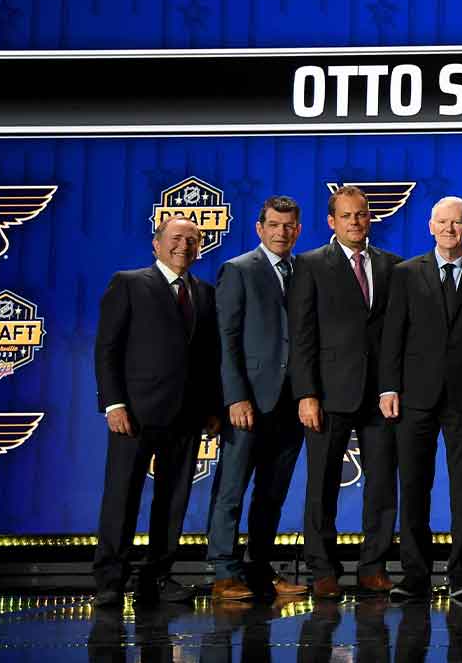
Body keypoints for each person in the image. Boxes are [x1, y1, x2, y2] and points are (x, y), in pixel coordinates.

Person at [92, 217, 222, 607]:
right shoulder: (128, 283)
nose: (184, 245)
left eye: (193, 240)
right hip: (134, 415)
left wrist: (213, 408)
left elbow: (209, 358)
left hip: (186, 416)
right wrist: (113, 404)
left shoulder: (204, 292)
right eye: (176, 238)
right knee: (122, 498)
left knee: (173, 500)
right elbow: (107, 350)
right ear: (156, 244)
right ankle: (110, 581)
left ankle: (157, 578)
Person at [288, 185, 403, 599]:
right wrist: (306, 393)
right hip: (328, 394)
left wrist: (393, 386)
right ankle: (322, 569)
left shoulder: (392, 266)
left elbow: (395, 334)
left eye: (362, 214)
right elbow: (301, 335)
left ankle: (373, 566)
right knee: (320, 485)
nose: (356, 221)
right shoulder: (310, 265)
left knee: (382, 486)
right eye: (347, 215)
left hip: (379, 397)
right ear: (331, 221)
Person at [378, 196, 462, 603]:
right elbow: (392, 332)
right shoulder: (406, 273)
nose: (449, 229)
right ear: (430, 227)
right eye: (442, 222)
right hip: (414, 397)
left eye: (457, 223)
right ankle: (414, 577)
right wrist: (388, 387)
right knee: (413, 487)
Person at [207, 196, 309, 602]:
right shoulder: (239, 269)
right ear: (259, 228)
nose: (281, 232)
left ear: (298, 230)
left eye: (289, 226)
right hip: (247, 401)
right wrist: (235, 397)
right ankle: (223, 572)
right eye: (274, 225)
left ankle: (260, 569)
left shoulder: (305, 271)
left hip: (291, 402)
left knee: (272, 492)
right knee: (232, 488)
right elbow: (226, 340)